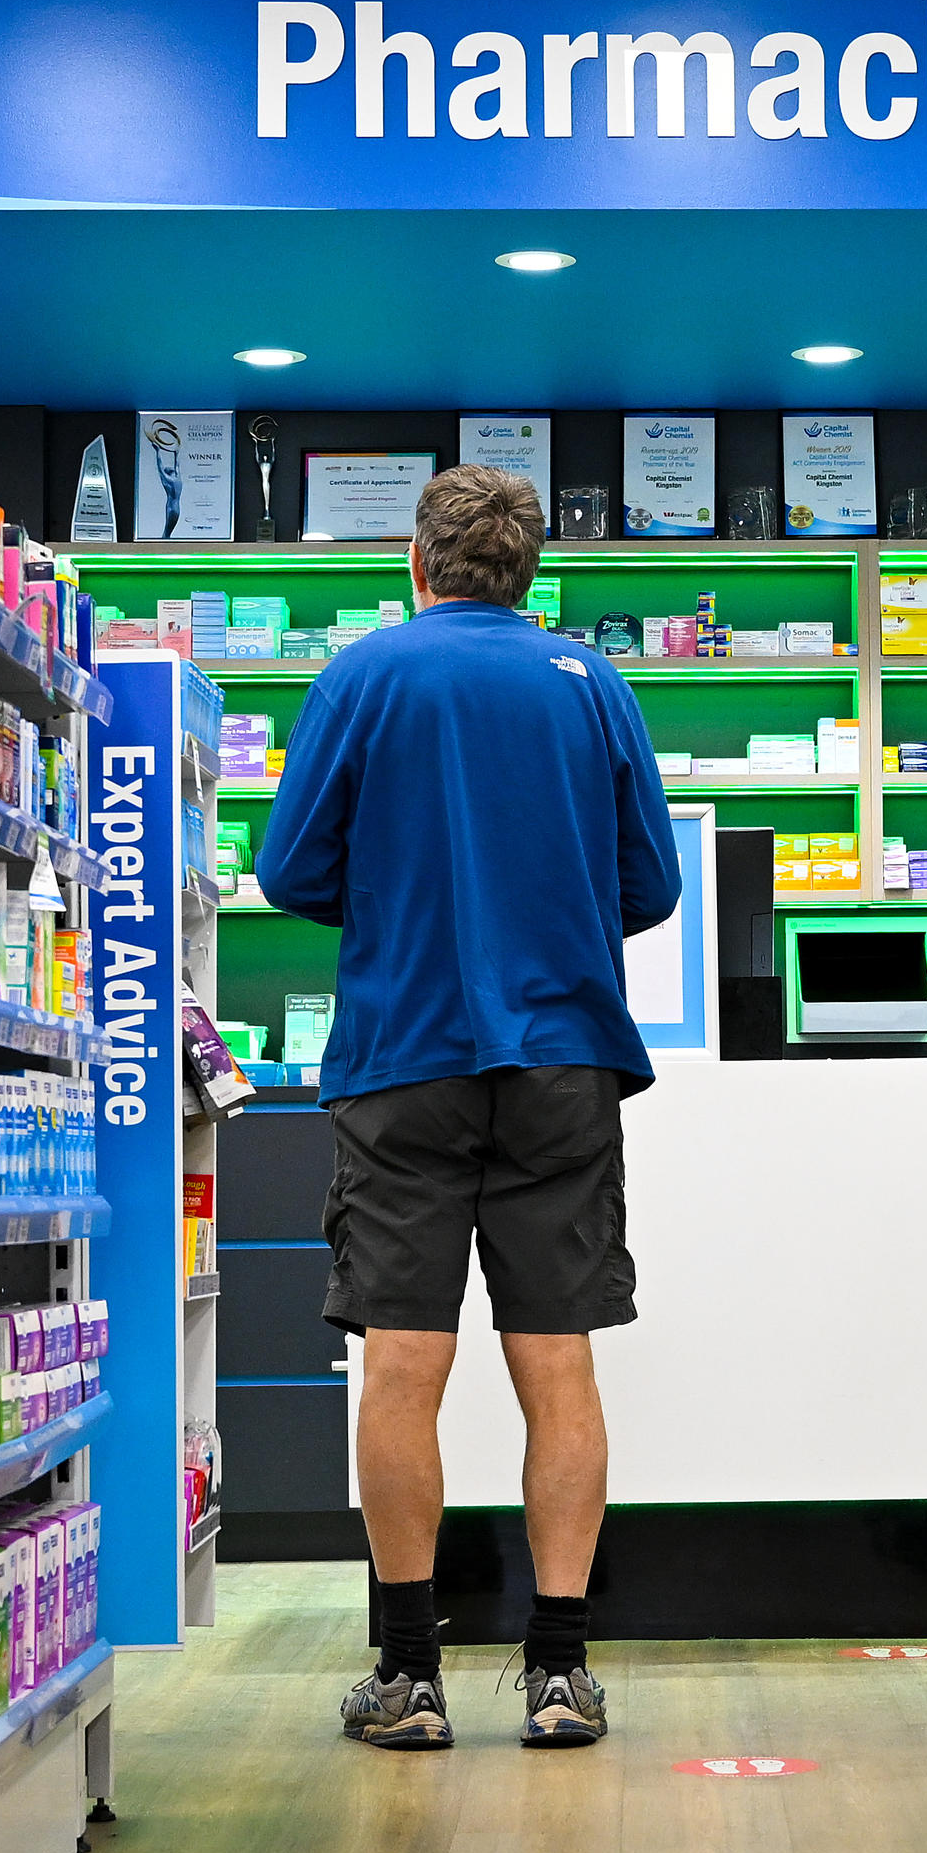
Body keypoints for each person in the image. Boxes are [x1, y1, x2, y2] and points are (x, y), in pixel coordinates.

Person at [257, 462, 684, 1750]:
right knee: (557, 1361)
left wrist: (398, 892)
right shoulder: (588, 684)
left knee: (400, 1361)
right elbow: (651, 886)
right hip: (561, 1062)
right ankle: (558, 1675)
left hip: (405, 1059)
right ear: (529, 572)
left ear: (416, 562)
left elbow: (286, 871)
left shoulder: (364, 677)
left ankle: (407, 1677)